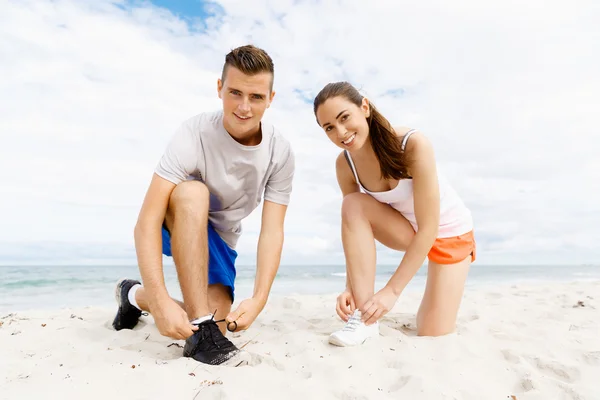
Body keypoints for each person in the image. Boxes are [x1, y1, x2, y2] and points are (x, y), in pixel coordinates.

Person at [112, 44, 295, 367]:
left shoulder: (279, 152)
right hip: (176, 220)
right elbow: (146, 221)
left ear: (271, 98)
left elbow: (272, 231)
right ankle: (194, 330)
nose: (243, 107)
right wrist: (162, 294)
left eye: (256, 97)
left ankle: (132, 295)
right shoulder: (193, 133)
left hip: (221, 241)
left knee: (215, 320)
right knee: (194, 193)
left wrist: (259, 297)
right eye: (235, 93)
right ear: (219, 88)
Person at [313, 81, 475, 347]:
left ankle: (432, 306)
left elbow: (429, 229)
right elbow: (352, 227)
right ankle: (364, 320)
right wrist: (350, 288)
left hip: (447, 233)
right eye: (329, 127)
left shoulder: (412, 144)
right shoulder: (345, 164)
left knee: (432, 331)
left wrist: (391, 292)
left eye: (345, 118)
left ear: (364, 107)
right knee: (352, 204)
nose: (341, 132)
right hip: (406, 232)